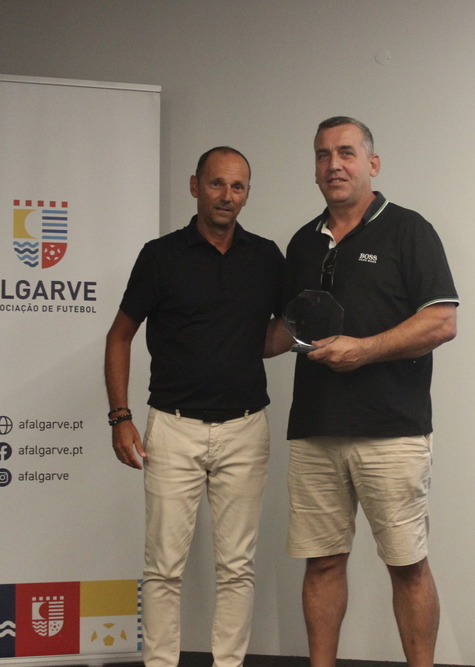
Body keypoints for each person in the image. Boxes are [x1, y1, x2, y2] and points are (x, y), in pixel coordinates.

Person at [267, 117, 458, 667]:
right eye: (323, 155)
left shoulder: (408, 230)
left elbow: (442, 321)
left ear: (372, 163)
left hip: (391, 430)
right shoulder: (302, 242)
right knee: (322, 563)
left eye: (346, 153)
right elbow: (285, 330)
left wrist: (365, 350)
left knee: (407, 565)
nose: (334, 165)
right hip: (315, 429)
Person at [104, 146, 284, 667]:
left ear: (247, 194)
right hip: (173, 427)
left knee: (237, 567)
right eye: (216, 183)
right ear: (194, 186)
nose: (227, 196)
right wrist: (120, 417)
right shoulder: (160, 256)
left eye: (238, 186)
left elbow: (281, 330)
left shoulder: (266, 257)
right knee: (163, 567)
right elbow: (119, 337)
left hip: (246, 429)